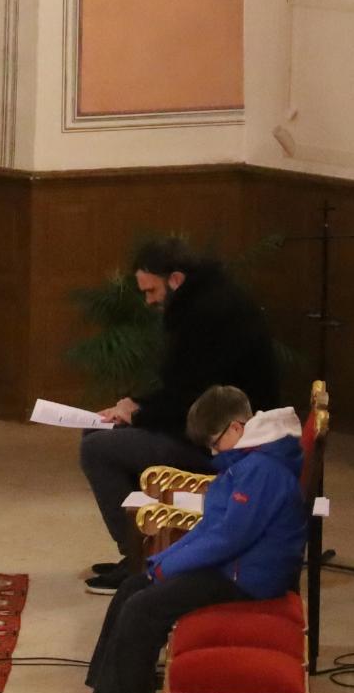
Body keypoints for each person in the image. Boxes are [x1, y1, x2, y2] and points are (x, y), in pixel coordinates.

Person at [60, 385, 307, 693]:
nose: (212, 451)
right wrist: (159, 564)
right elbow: (212, 526)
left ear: (237, 428)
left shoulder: (261, 469)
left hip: (248, 578)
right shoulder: (249, 459)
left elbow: (228, 538)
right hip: (234, 566)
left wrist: (167, 568)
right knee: (133, 586)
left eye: (214, 441)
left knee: (145, 607)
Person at [76, 237, 282, 593]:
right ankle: (139, 551)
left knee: (98, 449)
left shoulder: (209, 316)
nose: (149, 300)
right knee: (98, 435)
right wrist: (135, 405)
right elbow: (185, 389)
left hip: (224, 444)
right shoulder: (207, 302)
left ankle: (138, 561)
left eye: (152, 290)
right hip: (209, 427)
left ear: (175, 280)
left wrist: (138, 413)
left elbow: (191, 403)